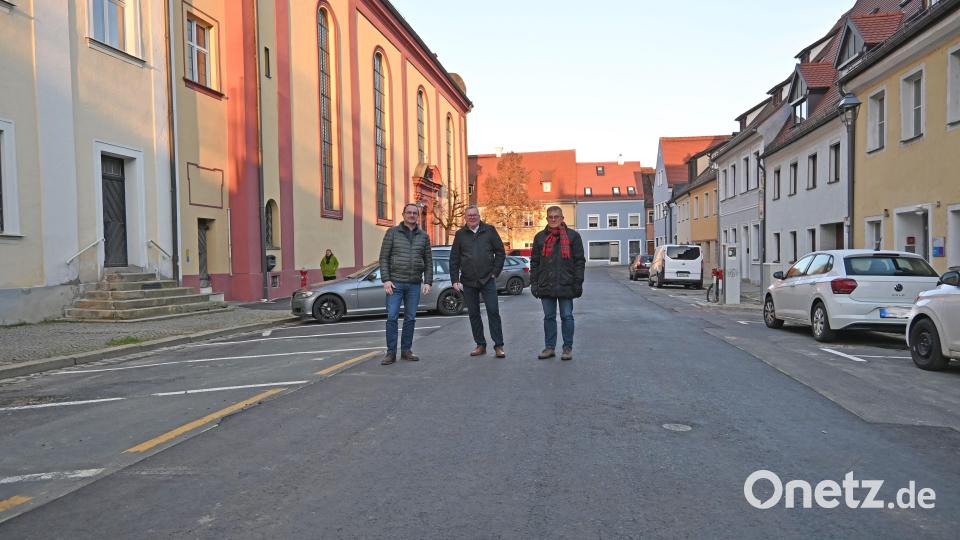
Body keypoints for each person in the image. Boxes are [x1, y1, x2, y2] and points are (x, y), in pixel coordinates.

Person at [378, 203, 433, 365]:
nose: (411, 215)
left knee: (410, 318)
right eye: (408, 212)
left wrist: (428, 281)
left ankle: (406, 350)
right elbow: (384, 258)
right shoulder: (392, 233)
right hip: (395, 283)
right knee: (392, 317)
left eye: (414, 213)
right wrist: (386, 279)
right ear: (403, 215)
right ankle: (391, 353)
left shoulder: (423, 236)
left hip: (414, 284)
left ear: (418, 215)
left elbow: (428, 261)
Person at [449, 205, 506, 358]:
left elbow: (500, 252)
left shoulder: (489, 230)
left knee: (493, 312)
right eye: (469, 215)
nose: (472, 217)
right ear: (465, 218)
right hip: (468, 281)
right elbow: (454, 258)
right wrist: (454, 278)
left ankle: (498, 345)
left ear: (479, 216)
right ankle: (480, 345)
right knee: (473, 314)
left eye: (475, 215)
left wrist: (495, 271)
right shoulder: (460, 234)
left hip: (488, 279)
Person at [530, 206, 585, 361]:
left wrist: (578, 283)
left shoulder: (573, 237)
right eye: (550, 217)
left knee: (567, 316)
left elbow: (580, 262)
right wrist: (534, 283)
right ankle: (549, 348)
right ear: (547, 219)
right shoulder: (539, 238)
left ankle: (567, 348)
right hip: (545, 284)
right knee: (549, 317)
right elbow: (534, 262)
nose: (553, 219)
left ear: (562, 218)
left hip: (566, 284)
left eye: (556, 217)